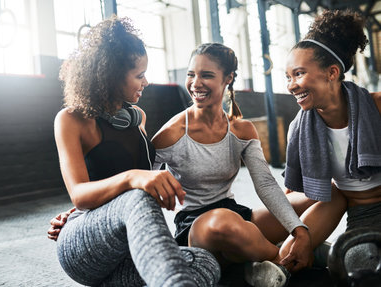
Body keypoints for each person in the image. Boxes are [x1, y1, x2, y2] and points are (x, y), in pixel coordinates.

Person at [51, 16, 220, 287]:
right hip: (85, 244)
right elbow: (80, 194)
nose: (146, 82)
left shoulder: (137, 117)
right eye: (139, 75)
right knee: (136, 197)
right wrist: (133, 179)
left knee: (202, 260)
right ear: (110, 76)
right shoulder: (71, 120)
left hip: (128, 248)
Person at [150, 43, 313, 287]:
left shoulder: (242, 130)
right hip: (198, 228)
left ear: (229, 78)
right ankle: (284, 259)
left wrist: (299, 231)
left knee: (323, 195)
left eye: (206, 75)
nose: (196, 83)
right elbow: (138, 192)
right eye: (191, 74)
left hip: (237, 216)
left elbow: (266, 185)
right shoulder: (170, 134)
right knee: (224, 222)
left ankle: (265, 255)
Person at [280, 9, 381, 271]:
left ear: (332, 72)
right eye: (288, 77)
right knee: (359, 265)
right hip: (361, 216)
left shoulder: (377, 108)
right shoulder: (299, 130)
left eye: (299, 74)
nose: (291, 85)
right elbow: (291, 193)